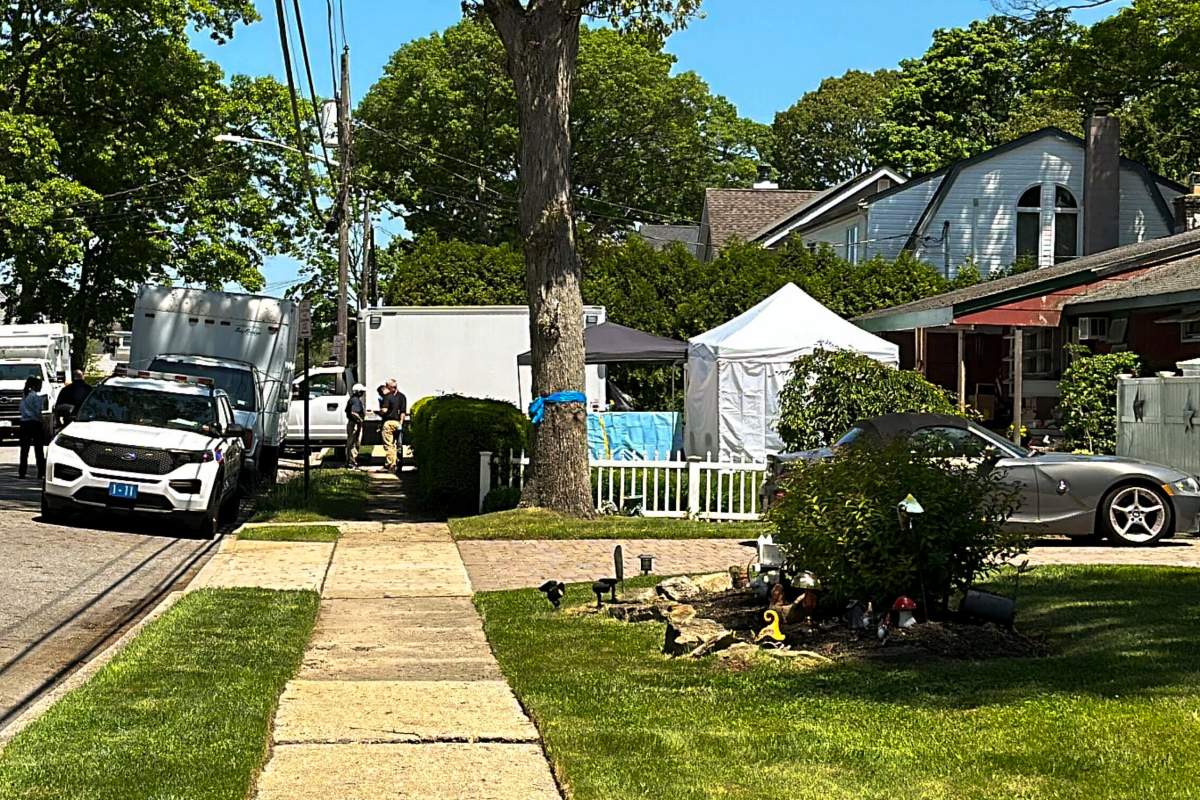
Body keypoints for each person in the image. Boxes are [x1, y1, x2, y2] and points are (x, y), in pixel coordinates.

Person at [18, 376, 46, 479]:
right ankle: (41, 471)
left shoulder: (24, 396)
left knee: (24, 449)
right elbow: (38, 411)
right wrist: (42, 421)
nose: (40, 388)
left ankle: (22, 471)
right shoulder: (36, 397)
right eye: (39, 385)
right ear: (35, 386)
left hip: (24, 423)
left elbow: (20, 409)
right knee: (38, 449)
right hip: (35, 423)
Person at [377, 378, 407, 474]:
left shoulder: (388, 396)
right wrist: (401, 423)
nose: (386, 388)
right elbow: (403, 412)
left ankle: (391, 465)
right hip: (398, 423)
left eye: (387, 386)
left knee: (389, 445)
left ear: (390, 387)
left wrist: (379, 412)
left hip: (388, 423)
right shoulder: (402, 397)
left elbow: (385, 410)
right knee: (398, 445)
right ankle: (398, 464)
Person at [344, 383, 367, 468]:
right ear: (358, 392)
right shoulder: (356, 401)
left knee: (350, 443)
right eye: (362, 391)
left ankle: (349, 461)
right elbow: (353, 412)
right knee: (354, 443)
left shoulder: (352, 399)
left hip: (351, 423)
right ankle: (352, 462)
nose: (363, 393)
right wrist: (360, 420)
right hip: (355, 424)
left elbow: (347, 411)